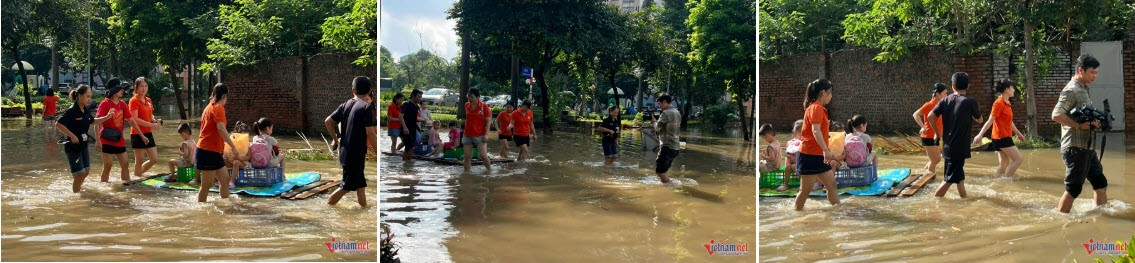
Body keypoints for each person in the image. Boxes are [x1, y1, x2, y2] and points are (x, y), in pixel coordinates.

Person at [1051, 54, 1108, 213]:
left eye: (1097, 73)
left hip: (1086, 146)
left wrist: (1094, 123)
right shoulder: (1071, 89)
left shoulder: (1083, 88)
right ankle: (1061, 220)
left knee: (1100, 183)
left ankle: (1102, 217)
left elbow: (1082, 117)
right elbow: (1056, 115)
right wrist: (1079, 125)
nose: (1095, 76)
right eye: (1092, 72)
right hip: (1075, 147)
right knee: (1074, 188)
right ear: (1081, 70)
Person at [324, 76, 378, 206]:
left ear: (353, 90)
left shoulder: (346, 104)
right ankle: (327, 207)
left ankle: (363, 209)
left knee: (360, 184)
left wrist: (335, 140)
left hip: (346, 152)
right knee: (346, 186)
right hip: (355, 154)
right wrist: (378, 153)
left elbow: (328, 121)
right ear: (370, 90)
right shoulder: (367, 107)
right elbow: (370, 133)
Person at [927, 72, 983, 198]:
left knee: (959, 178)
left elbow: (931, 116)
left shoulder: (945, 100)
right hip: (959, 148)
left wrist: (937, 134)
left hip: (948, 147)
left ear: (953, 86)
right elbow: (980, 120)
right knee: (949, 180)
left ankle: (965, 200)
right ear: (968, 86)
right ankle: (935, 203)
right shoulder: (970, 102)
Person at [55, 85, 115, 193]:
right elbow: (58, 124)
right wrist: (72, 136)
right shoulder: (72, 110)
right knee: (80, 174)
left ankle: (77, 187)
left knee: (86, 171)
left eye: (90, 97)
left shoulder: (85, 110)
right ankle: (75, 196)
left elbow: (92, 121)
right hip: (73, 147)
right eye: (87, 96)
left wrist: (107, 117)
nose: (89, 99)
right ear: (79, 96)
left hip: (83, 145)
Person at [794, 79, 840, 210]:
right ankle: (796, 213)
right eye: (830, 93)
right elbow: (815, 130)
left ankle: (838, 210)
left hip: (818, 155)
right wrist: (826, 149)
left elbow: (819, 132)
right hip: (810, 155)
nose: (831, 96)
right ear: (823, 92)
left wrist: (826, 150)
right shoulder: (816, 108)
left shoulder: (818, 108)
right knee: (805, 190)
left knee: (831, 185)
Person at [196, 83, 241, 202]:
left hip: (213, 151)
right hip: (208, 151)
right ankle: (200, 210)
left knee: (225, 179)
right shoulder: (218, 108)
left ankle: (225, 204)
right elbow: (221, 128)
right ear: (224, 96)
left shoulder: (209, 106)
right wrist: (233, 147)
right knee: (206, 185)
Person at [973, 79, 1026, 178]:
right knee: (1018, 159)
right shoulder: (998, 103)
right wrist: (980, 134)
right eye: (1012, 88)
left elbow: (1009, 122)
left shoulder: (1007, 103)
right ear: (1007, 89)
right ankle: (1007, 181)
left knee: (1004, 164)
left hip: (1003, 137)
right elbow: (990, 120)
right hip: (1001, 137)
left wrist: (1019, 134)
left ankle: (997, 182)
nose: (1014, 90)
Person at [95, 79, 144, 182]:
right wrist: (97, 140)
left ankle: (127, 186)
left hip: (119, 139)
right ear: (114, 90)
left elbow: (131, 121)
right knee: (108, 166)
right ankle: (104, 189)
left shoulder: (122, 104)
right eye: (120, 89)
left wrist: (142, 135)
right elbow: (97, 122)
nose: (123, 91)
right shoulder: (105, 104)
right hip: (106, 139)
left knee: (125, 165)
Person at [129, 77, 162, 177]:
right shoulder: (133, 100)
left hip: (148, 132)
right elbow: (135, 119)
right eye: (141, 86)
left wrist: (155, 121)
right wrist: (152, 125)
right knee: (139, 160)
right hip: (137, 133)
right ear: (136, 87)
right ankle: (137, 177)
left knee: (154, 159)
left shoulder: (148, 100)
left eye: (146, 86)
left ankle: (137, 175)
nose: (144, 88)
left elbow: (150, 115)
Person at [914, 83, 948, 174]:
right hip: (928, 135)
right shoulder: (929, 104)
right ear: (937, 94)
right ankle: (930, 178)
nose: (946, 95)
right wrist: (923, 126)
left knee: (936, 159)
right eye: (944, 93)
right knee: (935, 159)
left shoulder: (940, 104)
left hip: (936, 135)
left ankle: (924, 172)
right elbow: (916, 114)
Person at [462, 88, 493, 172]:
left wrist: (486, 134)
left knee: (483, 156)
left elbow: (488, 121)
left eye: (472, 97)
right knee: (467, 157)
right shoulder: (467, 105)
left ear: (478, 97)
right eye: (468, 96)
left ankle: (490, 171)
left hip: (480, 134)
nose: (469, 99)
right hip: (467, 134)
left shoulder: (484, 107)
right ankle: (466, 174)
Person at [654, 95, 681, 185]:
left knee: (660, 172)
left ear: (664, 102)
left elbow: (657, 128)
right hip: (675, 147)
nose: (659, 106)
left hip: (667, 146)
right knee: (663, 170)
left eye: (659, 104)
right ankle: (666, 186)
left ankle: (672, 187)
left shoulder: (666, 113)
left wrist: (654, 121)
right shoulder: (677, 112)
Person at [780, 120, 804, 191]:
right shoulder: (790, 142)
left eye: (803, 130)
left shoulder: (805, 142)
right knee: (788, 166)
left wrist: (797, 159)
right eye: (799, 131)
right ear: (794, 131)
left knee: (795, 166)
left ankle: (802, 185)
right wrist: (789, 156)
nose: (801, 133)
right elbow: (787, 152)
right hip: (791, 160)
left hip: (801, 162)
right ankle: (785, 184)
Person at [399, 90, 422, 161]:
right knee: (410, 148)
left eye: (420, 97)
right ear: (413, 96)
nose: (420, 99)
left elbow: (413, 118)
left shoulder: (416, 106)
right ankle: (407, 165)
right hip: (406, 130)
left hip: (412, 130)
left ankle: (407, 164)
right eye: (418, 97)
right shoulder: (407, 104)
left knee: (409, 148)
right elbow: (400, 116)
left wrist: (418, 127)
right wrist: (405, 128)